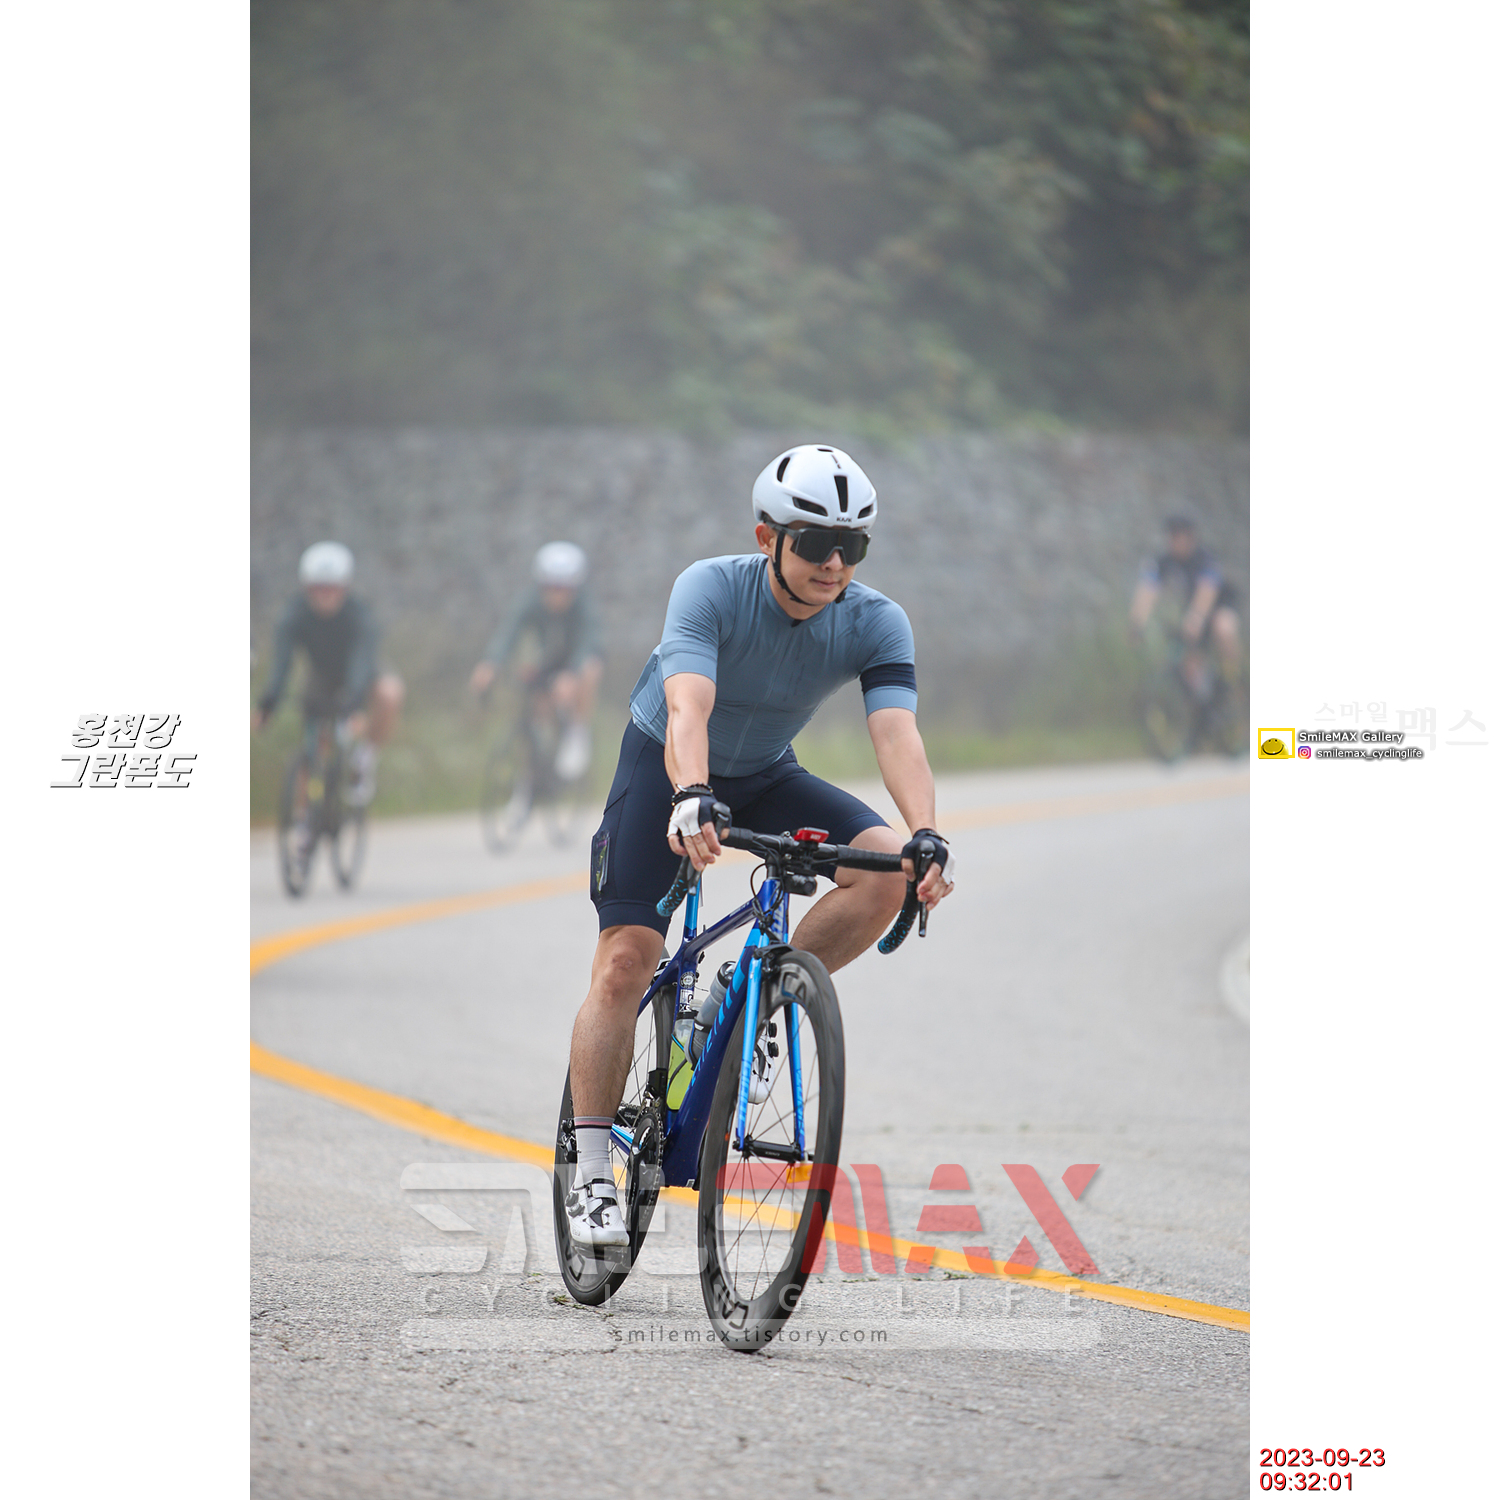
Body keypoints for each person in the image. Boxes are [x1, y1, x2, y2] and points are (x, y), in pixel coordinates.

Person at [564, 444, 956, 1249]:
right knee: (626, 960)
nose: (835, 563)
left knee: (884, 869)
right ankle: (593, 1169)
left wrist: (925, 833)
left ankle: (759, 998)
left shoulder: (876, 619)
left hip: (768, 772)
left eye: (853, 544)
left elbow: (896, 732)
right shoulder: (709, 588)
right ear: (766, 538)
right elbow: (688, 708)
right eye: (815, 543)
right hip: (668, 764)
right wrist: (690, 792)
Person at [253, 541, 404, 804]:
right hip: (322, 675)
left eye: (332, 589)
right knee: (314, 746)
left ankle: (365, 759)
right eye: (318, 589)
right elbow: (282, 664)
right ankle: (303, 816)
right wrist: (268, 705)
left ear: (344, 588)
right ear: (307, 589)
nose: (325, 597)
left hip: (363, 674)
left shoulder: (360, 616)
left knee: (390, 692)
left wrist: (355, 704)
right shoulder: (293, 615)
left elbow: (362, 661)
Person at [469, 541, 603, 782]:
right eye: (551, 587)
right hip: (548, 661)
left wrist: (572, 674)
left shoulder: (584, 607)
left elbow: (589, 642)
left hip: (575, 663)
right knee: (535, 701)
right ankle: (535, 765)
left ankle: (577, 732)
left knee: (591, 669)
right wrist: (491, 663)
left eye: (564, 588)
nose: (557, 594)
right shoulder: (530, 601)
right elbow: (509, 632)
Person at [1128, 514, 1242, 693]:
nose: (1174, 541)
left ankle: (1236, 680)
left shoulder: (1205, 557)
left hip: (1218, 606)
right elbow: (1147, 591)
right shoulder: (1162, 562)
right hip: (1188, 612)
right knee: (1184, 658)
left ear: (1190, 538)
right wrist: (1137, 623)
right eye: (1171, 536)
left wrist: (1196, 617)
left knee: (1223, 627)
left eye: (1178, 536)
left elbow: (1207, 590)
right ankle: (1198, 695)